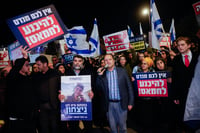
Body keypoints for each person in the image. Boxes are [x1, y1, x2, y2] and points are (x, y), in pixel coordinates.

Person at [96, 53, 134, 133]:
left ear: (114, 61)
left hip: (122, 103)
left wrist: (131, 102)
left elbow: (129, 87)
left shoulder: (122, 71)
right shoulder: (103, 74)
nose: (108, 61)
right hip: (109, 104)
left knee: (123, 127)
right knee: (112, 128)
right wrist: (99, 76)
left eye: (110, 59)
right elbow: (98, 88)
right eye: (106, 60)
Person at [5, 46, 37, 133]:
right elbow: (14, 71)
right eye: (26, 65)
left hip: (30, 117)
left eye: (28, 65)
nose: (28, 67)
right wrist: (24, 57)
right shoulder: (13, 78)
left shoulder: (29, 78)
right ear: (20, 67)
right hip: (17, 118)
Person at [59, 54, 94, 133]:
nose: (77, 63)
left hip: (86, 105)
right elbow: (63, 89)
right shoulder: (67, 74)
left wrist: (92, 92)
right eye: (75, 61)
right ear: (72, 62)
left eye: (79, 61)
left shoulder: (88, 73)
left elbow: (93, 87)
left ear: (82, 63)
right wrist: (61, 94)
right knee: (73, 128)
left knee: (88, 127)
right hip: (72, 106)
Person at [171, 36, 199, 132]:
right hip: (182, 94)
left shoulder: (197, 57)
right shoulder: (176, 60)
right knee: (184, 117)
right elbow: (174, 79)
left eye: (182, 45)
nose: (180, 47)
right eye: (178, 45)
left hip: (197, 93)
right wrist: (175, 96)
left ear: (189, 45)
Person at [33, 55, 60, 133]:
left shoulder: (55, 73)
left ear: (45, 64)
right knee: (44, 127)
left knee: (54, 127)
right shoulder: (36, 76)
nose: (37, 67)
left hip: (54, 106)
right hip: (41, 106)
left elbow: (61, 86)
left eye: (39, 65)